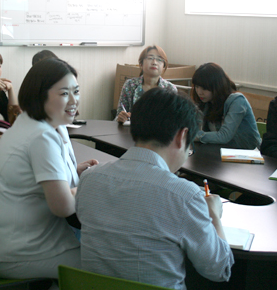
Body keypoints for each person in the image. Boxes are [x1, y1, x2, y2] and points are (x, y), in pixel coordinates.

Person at [77, 88, 233, 289]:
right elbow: (219, 270)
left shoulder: (89, 178)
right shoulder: (184, 196)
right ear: (182, 136)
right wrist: (214, 216)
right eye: (190, 147)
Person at [0, 58, 98, 279]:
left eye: (76, 91)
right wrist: (92, 185)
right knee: (109, 264)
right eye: (64, 93)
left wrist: (74, 171)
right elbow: (64, 207)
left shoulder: (29, 122)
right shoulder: (41, 136)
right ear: (40, 96)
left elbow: (35, 176)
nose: (74, 100)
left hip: (0, 243)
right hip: (14, 253)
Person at [191, 63, 260, 149]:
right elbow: (195, 129)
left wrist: (195, 135)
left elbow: (224, 136)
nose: (199, 92)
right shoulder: (206, 103)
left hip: (247, 153)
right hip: (221, 151)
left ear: (217, 86)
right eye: (197, 87)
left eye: (204, 88)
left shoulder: (237, 101)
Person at [116, 45, 177, 124]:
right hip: (133, 130)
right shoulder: (130, 85)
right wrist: (121, 118)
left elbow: (174, 120)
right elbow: (119, 115)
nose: (154, 62)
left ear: (164, 66)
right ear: (141, 64)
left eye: (159, 59)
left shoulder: (170, 89)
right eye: (150, 58)